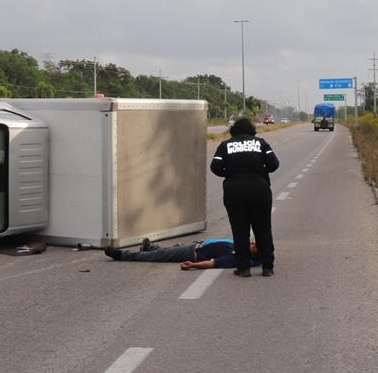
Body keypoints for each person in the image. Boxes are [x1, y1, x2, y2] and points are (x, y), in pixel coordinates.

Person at [209, 116, 279, 276]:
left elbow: (215, 167)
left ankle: (243, 268)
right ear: (252, 130)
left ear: (233, 131)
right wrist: (260, 171)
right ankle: (267, 267)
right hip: (260, 191)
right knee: (263, 229)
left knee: (240, 230)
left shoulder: (225, 145)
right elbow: (274, 164)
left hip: (234, 192)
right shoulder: (261, 143)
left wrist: (230, 173)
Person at [104, 238, 260, 270]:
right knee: (169, 250)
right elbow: (223, 242)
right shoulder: (242, 248)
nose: (251, 243)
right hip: (197, 246)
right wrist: (207, 241)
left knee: (159, 256)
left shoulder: (238, 258)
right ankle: (150, 247)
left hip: (193, 253)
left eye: (254, 245)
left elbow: (214, 263)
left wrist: (193, 265)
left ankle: (122, 255)